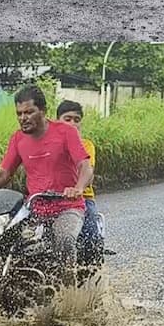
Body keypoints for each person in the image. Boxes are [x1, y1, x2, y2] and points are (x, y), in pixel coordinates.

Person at [0, 86, 94, 276]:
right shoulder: (18, 139)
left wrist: (78, 188)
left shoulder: (66, 132)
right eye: (19, 113)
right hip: (34, 208)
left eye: (29, 112)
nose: (23, 118)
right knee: (4, 240)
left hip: (67, 206)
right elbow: (4, 174)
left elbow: (85, 166)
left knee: (65, 241)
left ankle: (69, 295)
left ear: (43, 111)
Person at [56, 100, 102, 266]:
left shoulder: (86, 145)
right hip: (50, 198)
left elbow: (88, 171)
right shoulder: (49, 145)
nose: (72, 123)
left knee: (90, 237)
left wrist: (78, 188)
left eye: (76, 119)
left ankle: (91, 273)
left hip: (81, 199)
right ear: (57, 121)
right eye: (67, 119)